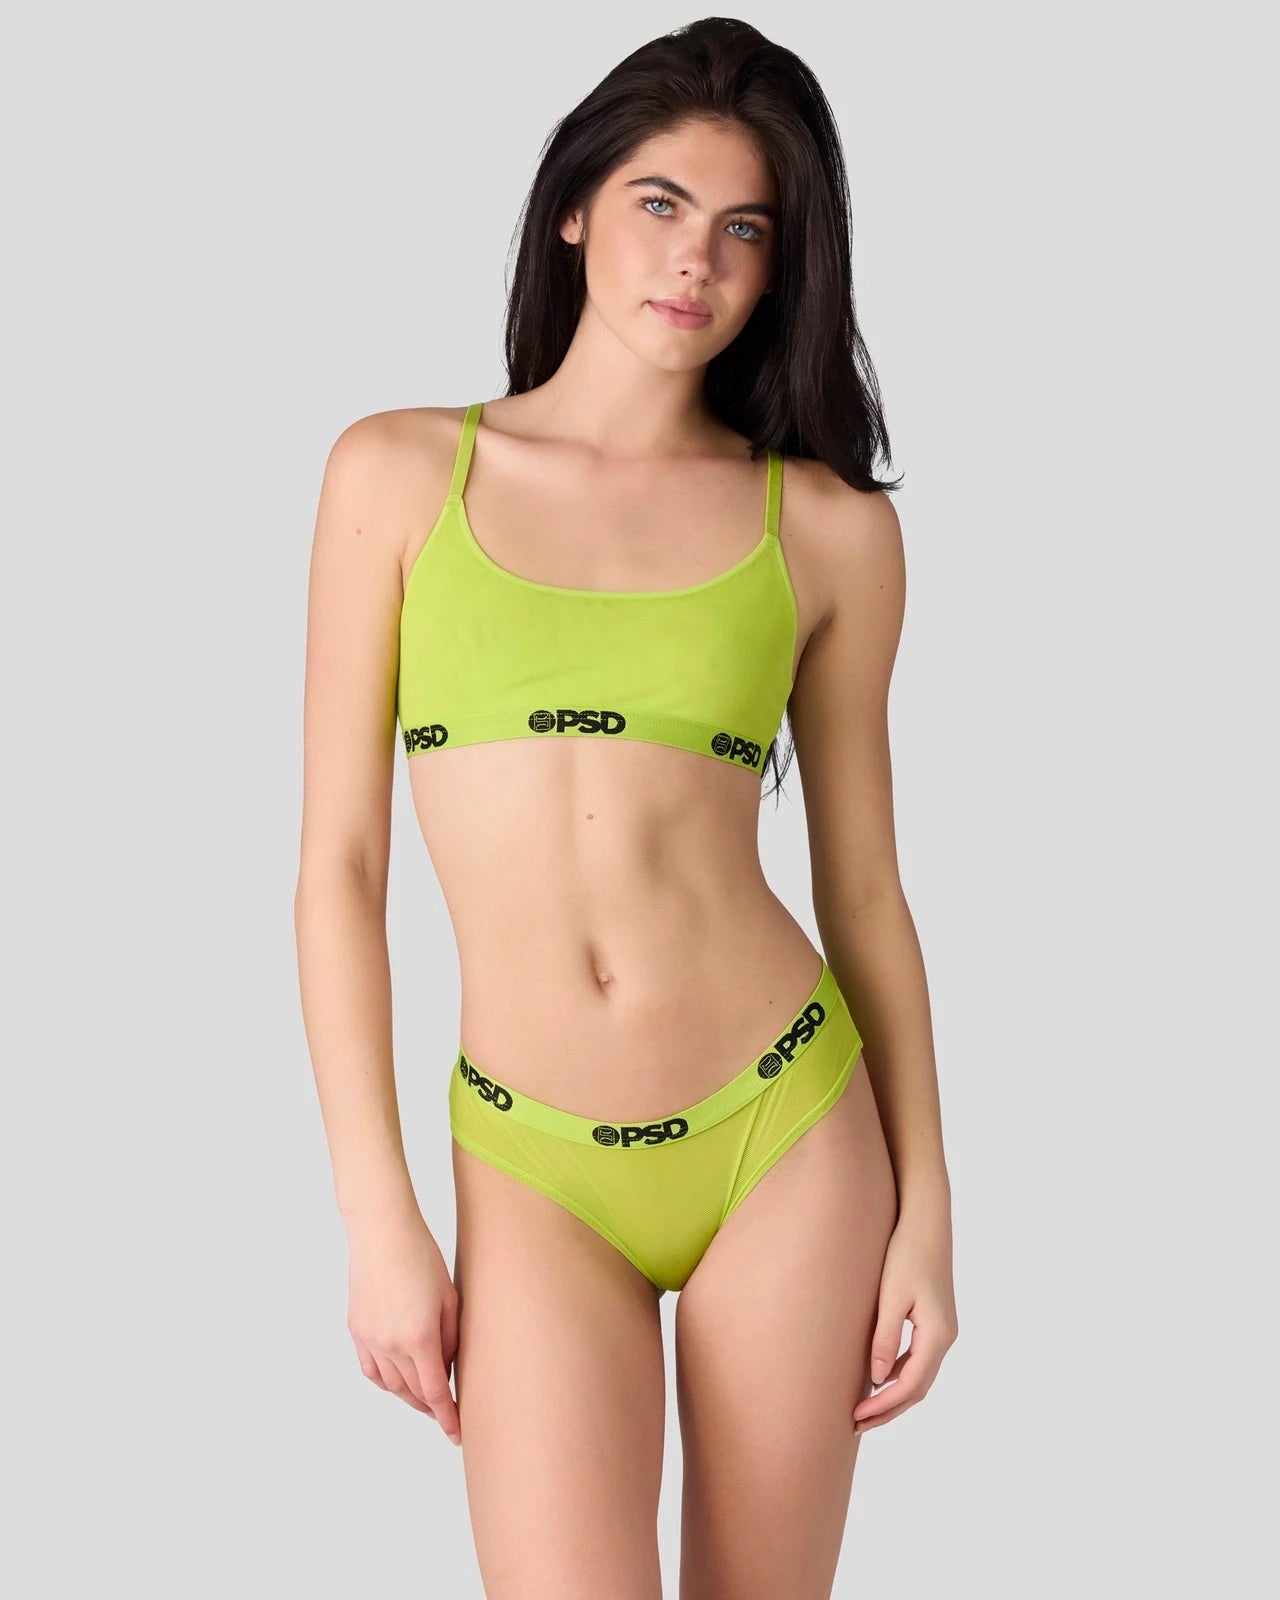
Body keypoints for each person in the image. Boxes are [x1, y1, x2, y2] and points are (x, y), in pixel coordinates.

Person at [294, 16, 956, 1597]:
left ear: (783, 268)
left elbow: (865, 893)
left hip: (784, 1132)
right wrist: (379, 1218)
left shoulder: (829, 532)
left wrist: (928, 1212)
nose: (696, 261)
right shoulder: (397, 475)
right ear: (577, 207)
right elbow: (337, 868)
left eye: (747, 229)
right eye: (662, 203)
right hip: (532, 1165)